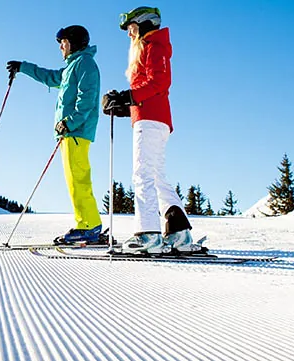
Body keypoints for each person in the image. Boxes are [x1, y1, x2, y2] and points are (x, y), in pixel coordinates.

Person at [102, 6, 201, 254]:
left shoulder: (153, 46)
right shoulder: (152, 47)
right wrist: (126, 105)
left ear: (145, 25)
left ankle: (148, 236)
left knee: (142, 175)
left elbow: (159, 82)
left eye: (132, 28)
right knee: (156, 176)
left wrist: (129, 96)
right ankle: (179, 234)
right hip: (153, 118)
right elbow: (150, 93)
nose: (129, 34)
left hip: (151, 120)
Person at [7, 25, 103, 244]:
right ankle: (88, 223)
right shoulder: (71, 67)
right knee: (75, 180)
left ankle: (88, 226)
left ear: (75, 42)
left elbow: (87, 98)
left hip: (76, 131)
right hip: (70, 132)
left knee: (78, 179)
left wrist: (69, 122)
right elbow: (49, 77)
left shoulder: (85, 63)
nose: (60, 46)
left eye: (64, 42)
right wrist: (23, 67)